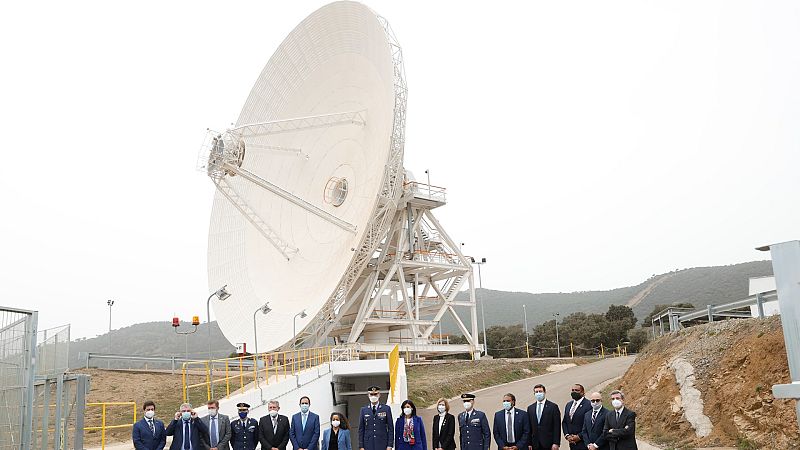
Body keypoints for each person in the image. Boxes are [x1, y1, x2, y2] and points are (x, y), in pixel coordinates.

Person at [526, 384, 561, 450]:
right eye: (536, 392)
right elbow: (529, 427)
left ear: (544, 392)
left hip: (549, 443)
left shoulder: (553, 407)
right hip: (535, 444)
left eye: (540, 391)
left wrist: (556, 443)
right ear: (534, 393)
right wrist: (529, 443)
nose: (538, 393)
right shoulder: (530, 408)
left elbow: (557, 426)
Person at [358, 386, 394, 450]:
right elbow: (361, 429)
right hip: (368, 444)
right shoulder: (364, 410)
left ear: (379, 395)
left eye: (375, 394)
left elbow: (390, 428)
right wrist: (361, 446)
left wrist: (390, 445)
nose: (373, 396)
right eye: (371, 394)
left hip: (382, 443)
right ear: (368, 395)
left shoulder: (386, 409)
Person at [562, 384, 591, 450]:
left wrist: (579, 436)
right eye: (572, 390)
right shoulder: (568, 405)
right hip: (572, 443)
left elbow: (589, 424)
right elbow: (565, 421)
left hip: (584, 442)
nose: (574, 392)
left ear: (583, 392)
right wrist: (567, 435)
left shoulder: (588, 405)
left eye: (577, 390)